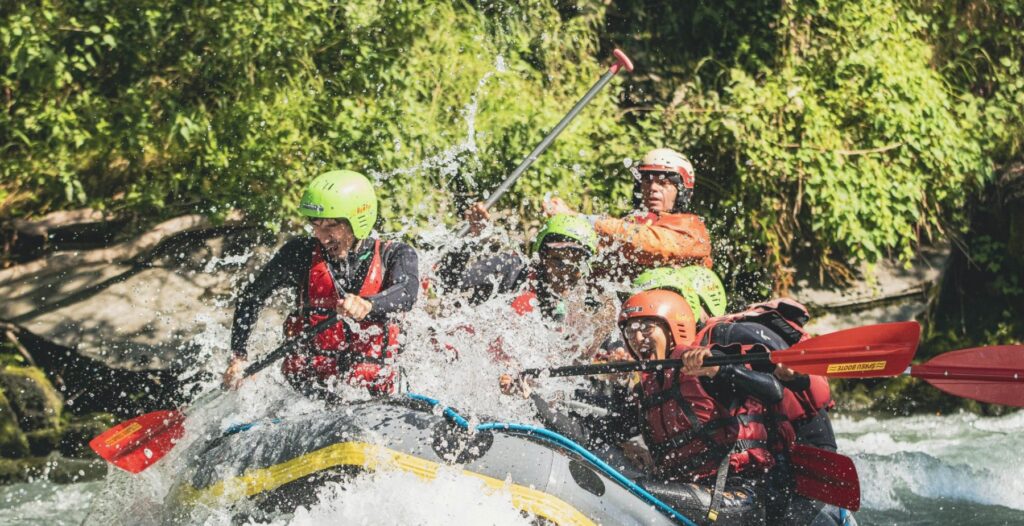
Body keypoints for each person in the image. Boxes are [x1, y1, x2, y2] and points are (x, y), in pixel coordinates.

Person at [222, 170, 419, 396]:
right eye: (315, 225)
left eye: (330, 226)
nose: (321, 237)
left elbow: (406, 293)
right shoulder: (300, 254)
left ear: (358, 221)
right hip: (308, 392)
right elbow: (251, 298)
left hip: (375, 392)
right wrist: (238, 357)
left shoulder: (395, 254)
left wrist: (369, 304)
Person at [616, 289, 789, 524]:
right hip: (688, 489)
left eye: (646, 327)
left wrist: (719, 370)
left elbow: (773, 391)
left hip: (737, 493)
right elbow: (604, 429)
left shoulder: (708, 365)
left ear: (672, 329)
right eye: (631, 331)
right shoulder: (646, 390)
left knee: (631, 489)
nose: (637, 338)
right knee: (617, 475)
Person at [543, 148, 713, 277]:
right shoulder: (631, 222)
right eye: (647, 182)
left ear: (681, 191)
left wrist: (580, 218)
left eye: (663, 183)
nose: (653, 188)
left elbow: (649, 243)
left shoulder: (693, 229)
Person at [438, 208, 598, 322]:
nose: (567, 272)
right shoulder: (511, 270)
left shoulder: (586, 303)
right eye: (559, 261)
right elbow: (448, 281)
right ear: (541, 258)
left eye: (577, 265)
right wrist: (472, 240)